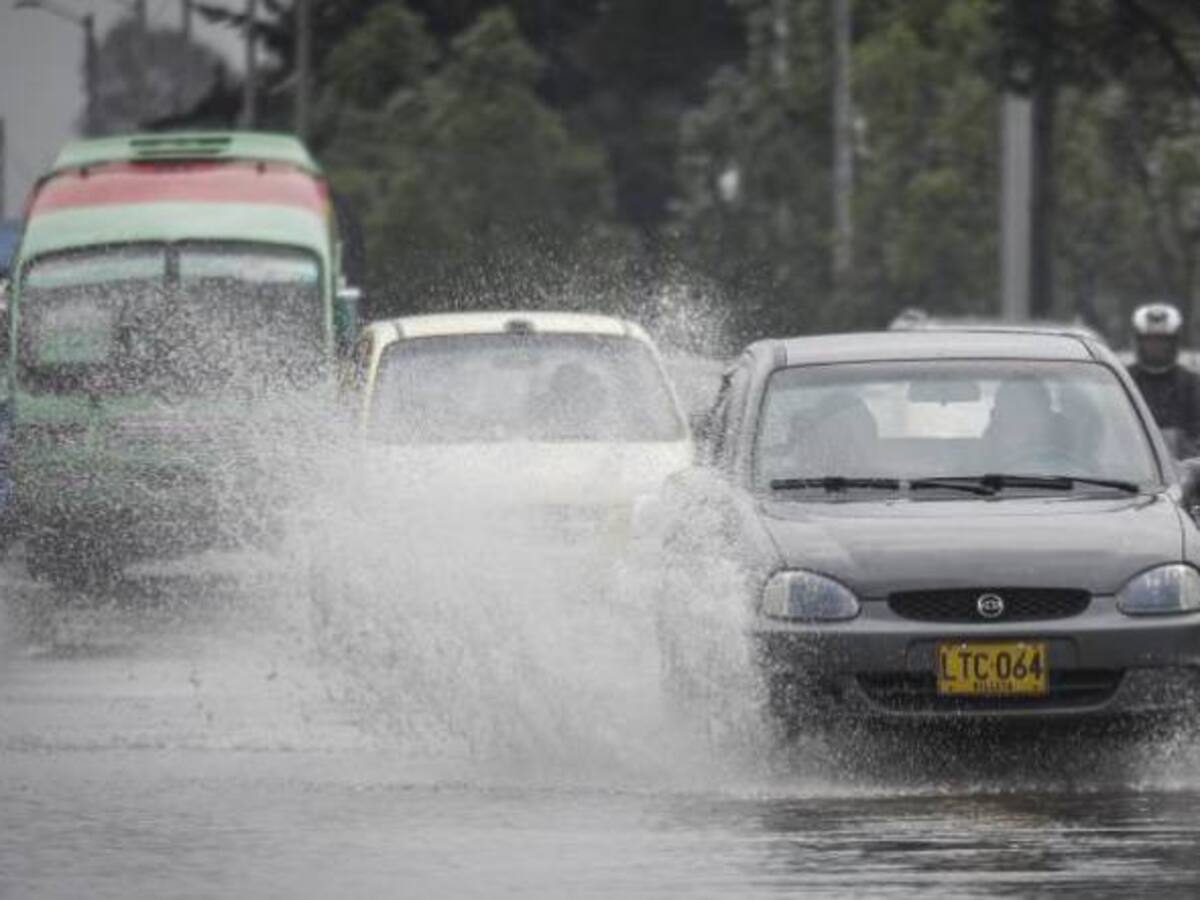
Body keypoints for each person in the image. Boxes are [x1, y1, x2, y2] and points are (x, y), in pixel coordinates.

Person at [1127, 302, 1200, 457]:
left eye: (1162, 341)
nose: (1156, 347)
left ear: (1174, 343)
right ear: (1138, 342)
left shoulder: (1192, 385)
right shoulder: (1125, 381)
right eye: (1149, 341)